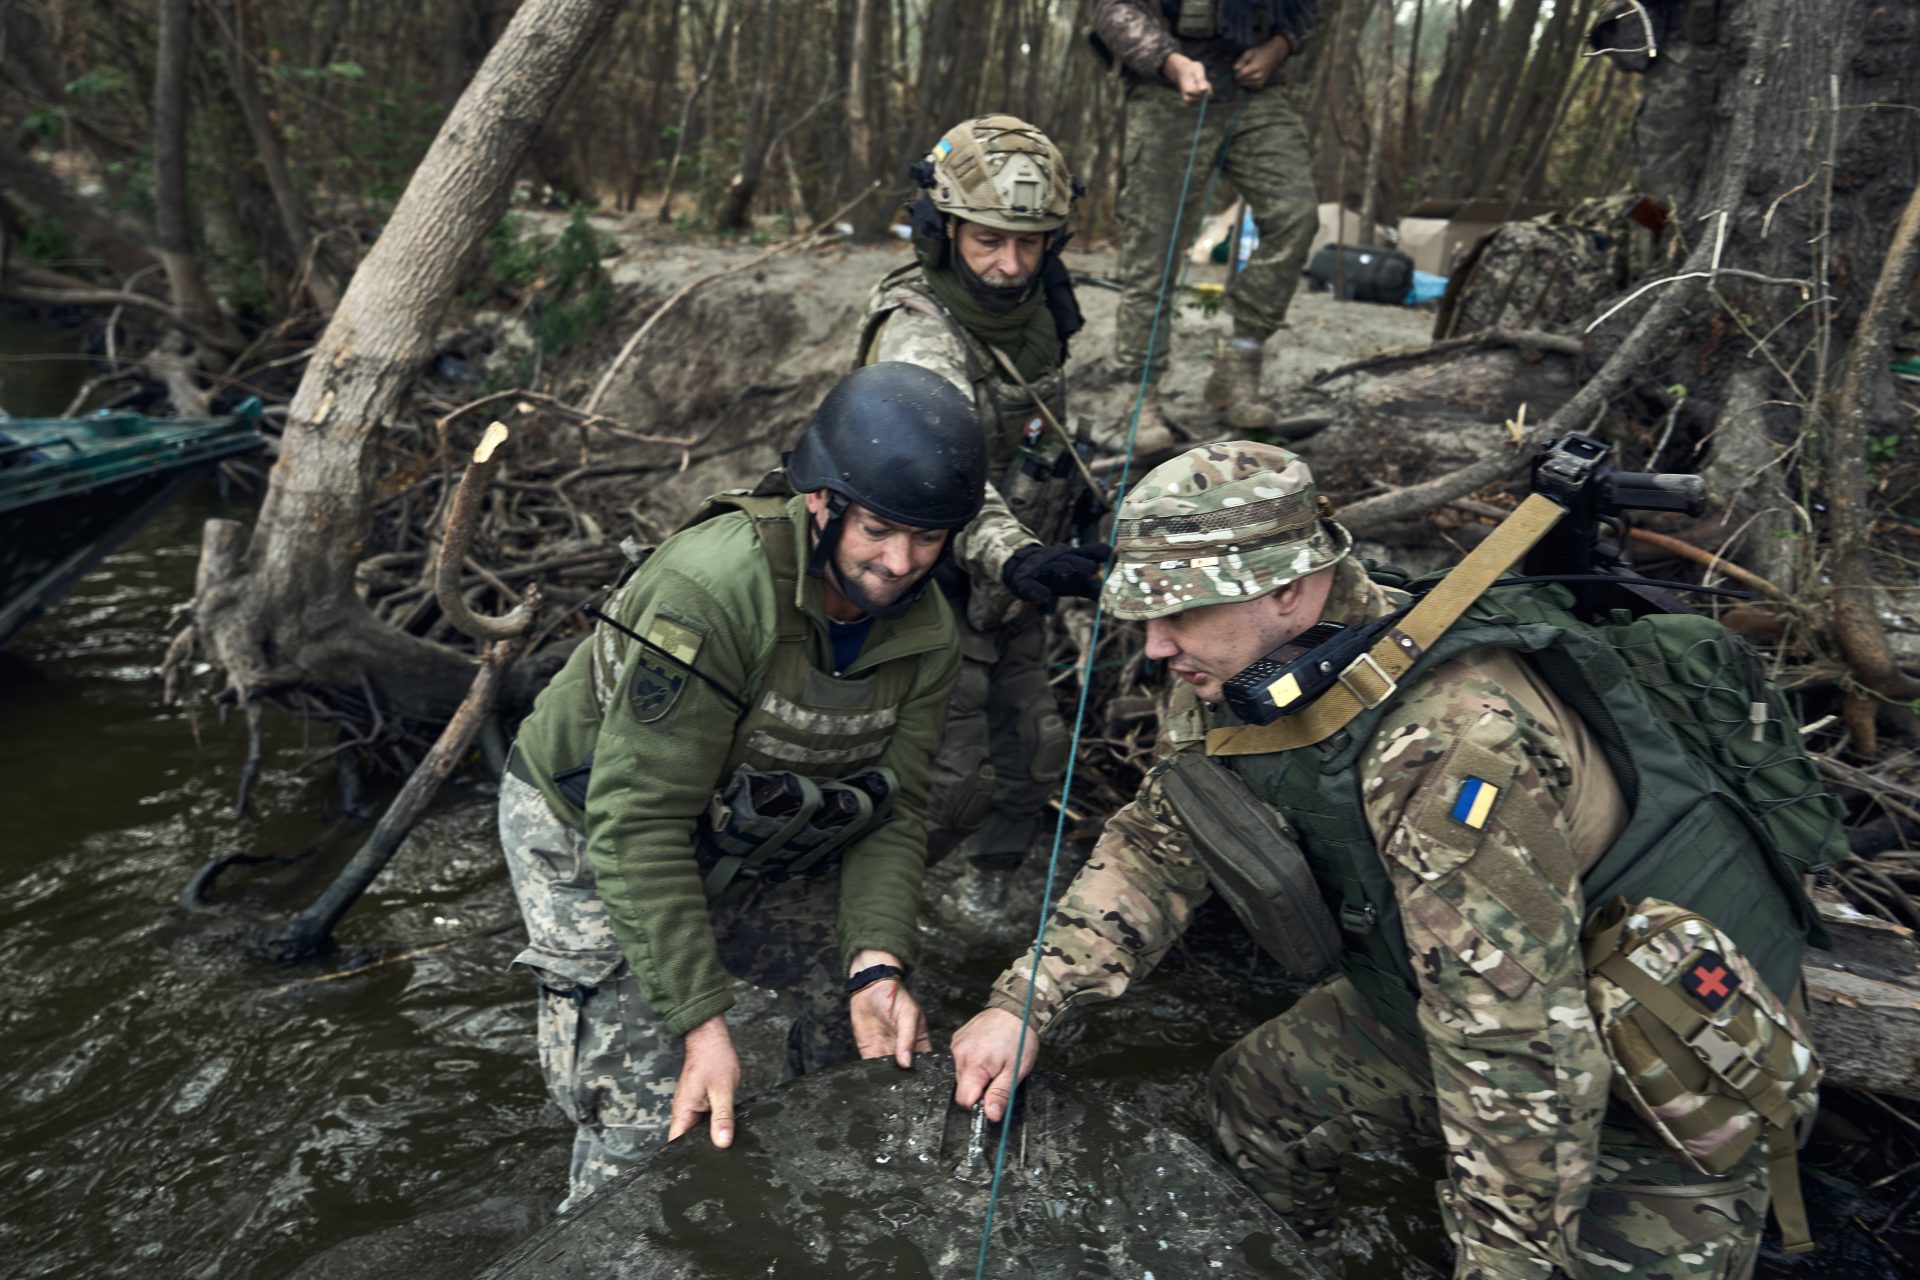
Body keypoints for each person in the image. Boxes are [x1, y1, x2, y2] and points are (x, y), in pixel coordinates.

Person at [951, 441, 1826, 1277]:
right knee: (1252, 1110)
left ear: (1293, 590)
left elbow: (1515, 1050)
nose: (1154, 645)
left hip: (1661, 1051)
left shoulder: (1447, 742)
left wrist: (1505, 1262)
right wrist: (1029, 1001)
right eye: (1146, 613)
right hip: (1451, 989)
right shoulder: (1236, 674)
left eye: (1179, 611)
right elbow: (1161, 842)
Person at [500, 361, 984, 1210]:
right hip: (589, 818)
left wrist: (876, 964)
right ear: (821, 502)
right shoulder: (713, 592)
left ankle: (802, 1217)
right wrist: (699, 1020)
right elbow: (637, 822)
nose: (900, 562)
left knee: (869, 1028)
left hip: (746, 818)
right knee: (652, 1115)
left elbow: (897, 810)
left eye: (928, 538)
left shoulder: (930, 633)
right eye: (878, 528)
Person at [858, 115, 1113, 870]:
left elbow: (1033, 431)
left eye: (1028, 244)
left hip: (1012, 595)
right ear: (943, 232)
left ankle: (990, 908)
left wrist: (1083, 501)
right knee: (948, 787)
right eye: (988, 242)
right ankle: (870, 925)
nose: (1010, 264)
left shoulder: (1037, 311)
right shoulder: (919, 333)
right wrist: (1020, 556)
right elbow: (938, 476)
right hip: (930, 591)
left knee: (1034, 765)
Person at [1093, 0, 1323, 436]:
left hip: (1254, 89)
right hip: (1166, 90)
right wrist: (1170, 61)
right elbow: (1112, 8)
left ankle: (1239, 364)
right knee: (1153, 245)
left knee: (1296, 215)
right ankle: (1138, 398)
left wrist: (1279, 46)